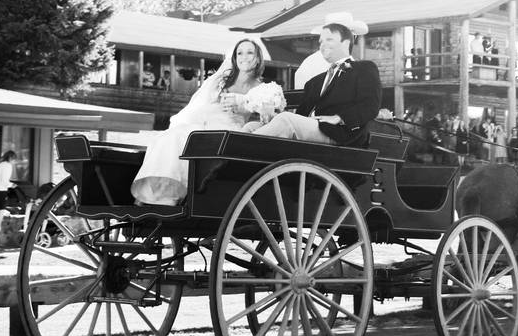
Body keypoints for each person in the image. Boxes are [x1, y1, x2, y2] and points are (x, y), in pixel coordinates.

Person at [131, 38, 281, 206]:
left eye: (250, 52)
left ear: (258, 58)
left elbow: (268, 119)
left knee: (189, 138)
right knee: (172, 136)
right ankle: (154, 194)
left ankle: (171, 196)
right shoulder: (221, 80)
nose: (244, 57)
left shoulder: (262, 89)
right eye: (240, 53)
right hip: (203, 122)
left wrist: (242, 103)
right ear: (234, 57)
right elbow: (200, 105)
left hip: (229, 130)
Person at [254, 12, 381, 147]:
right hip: (312, 129)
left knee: (286, 120)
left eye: (329, 39)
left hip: (341, 135)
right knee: (252, 126)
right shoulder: (314, 82)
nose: (322, 45)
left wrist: (339, 118)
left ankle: (237, 147)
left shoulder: (364, 68)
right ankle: (234, 159)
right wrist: (274, 117)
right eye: (321, 41)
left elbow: (370, 106)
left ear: (346, 42)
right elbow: (301, 117)